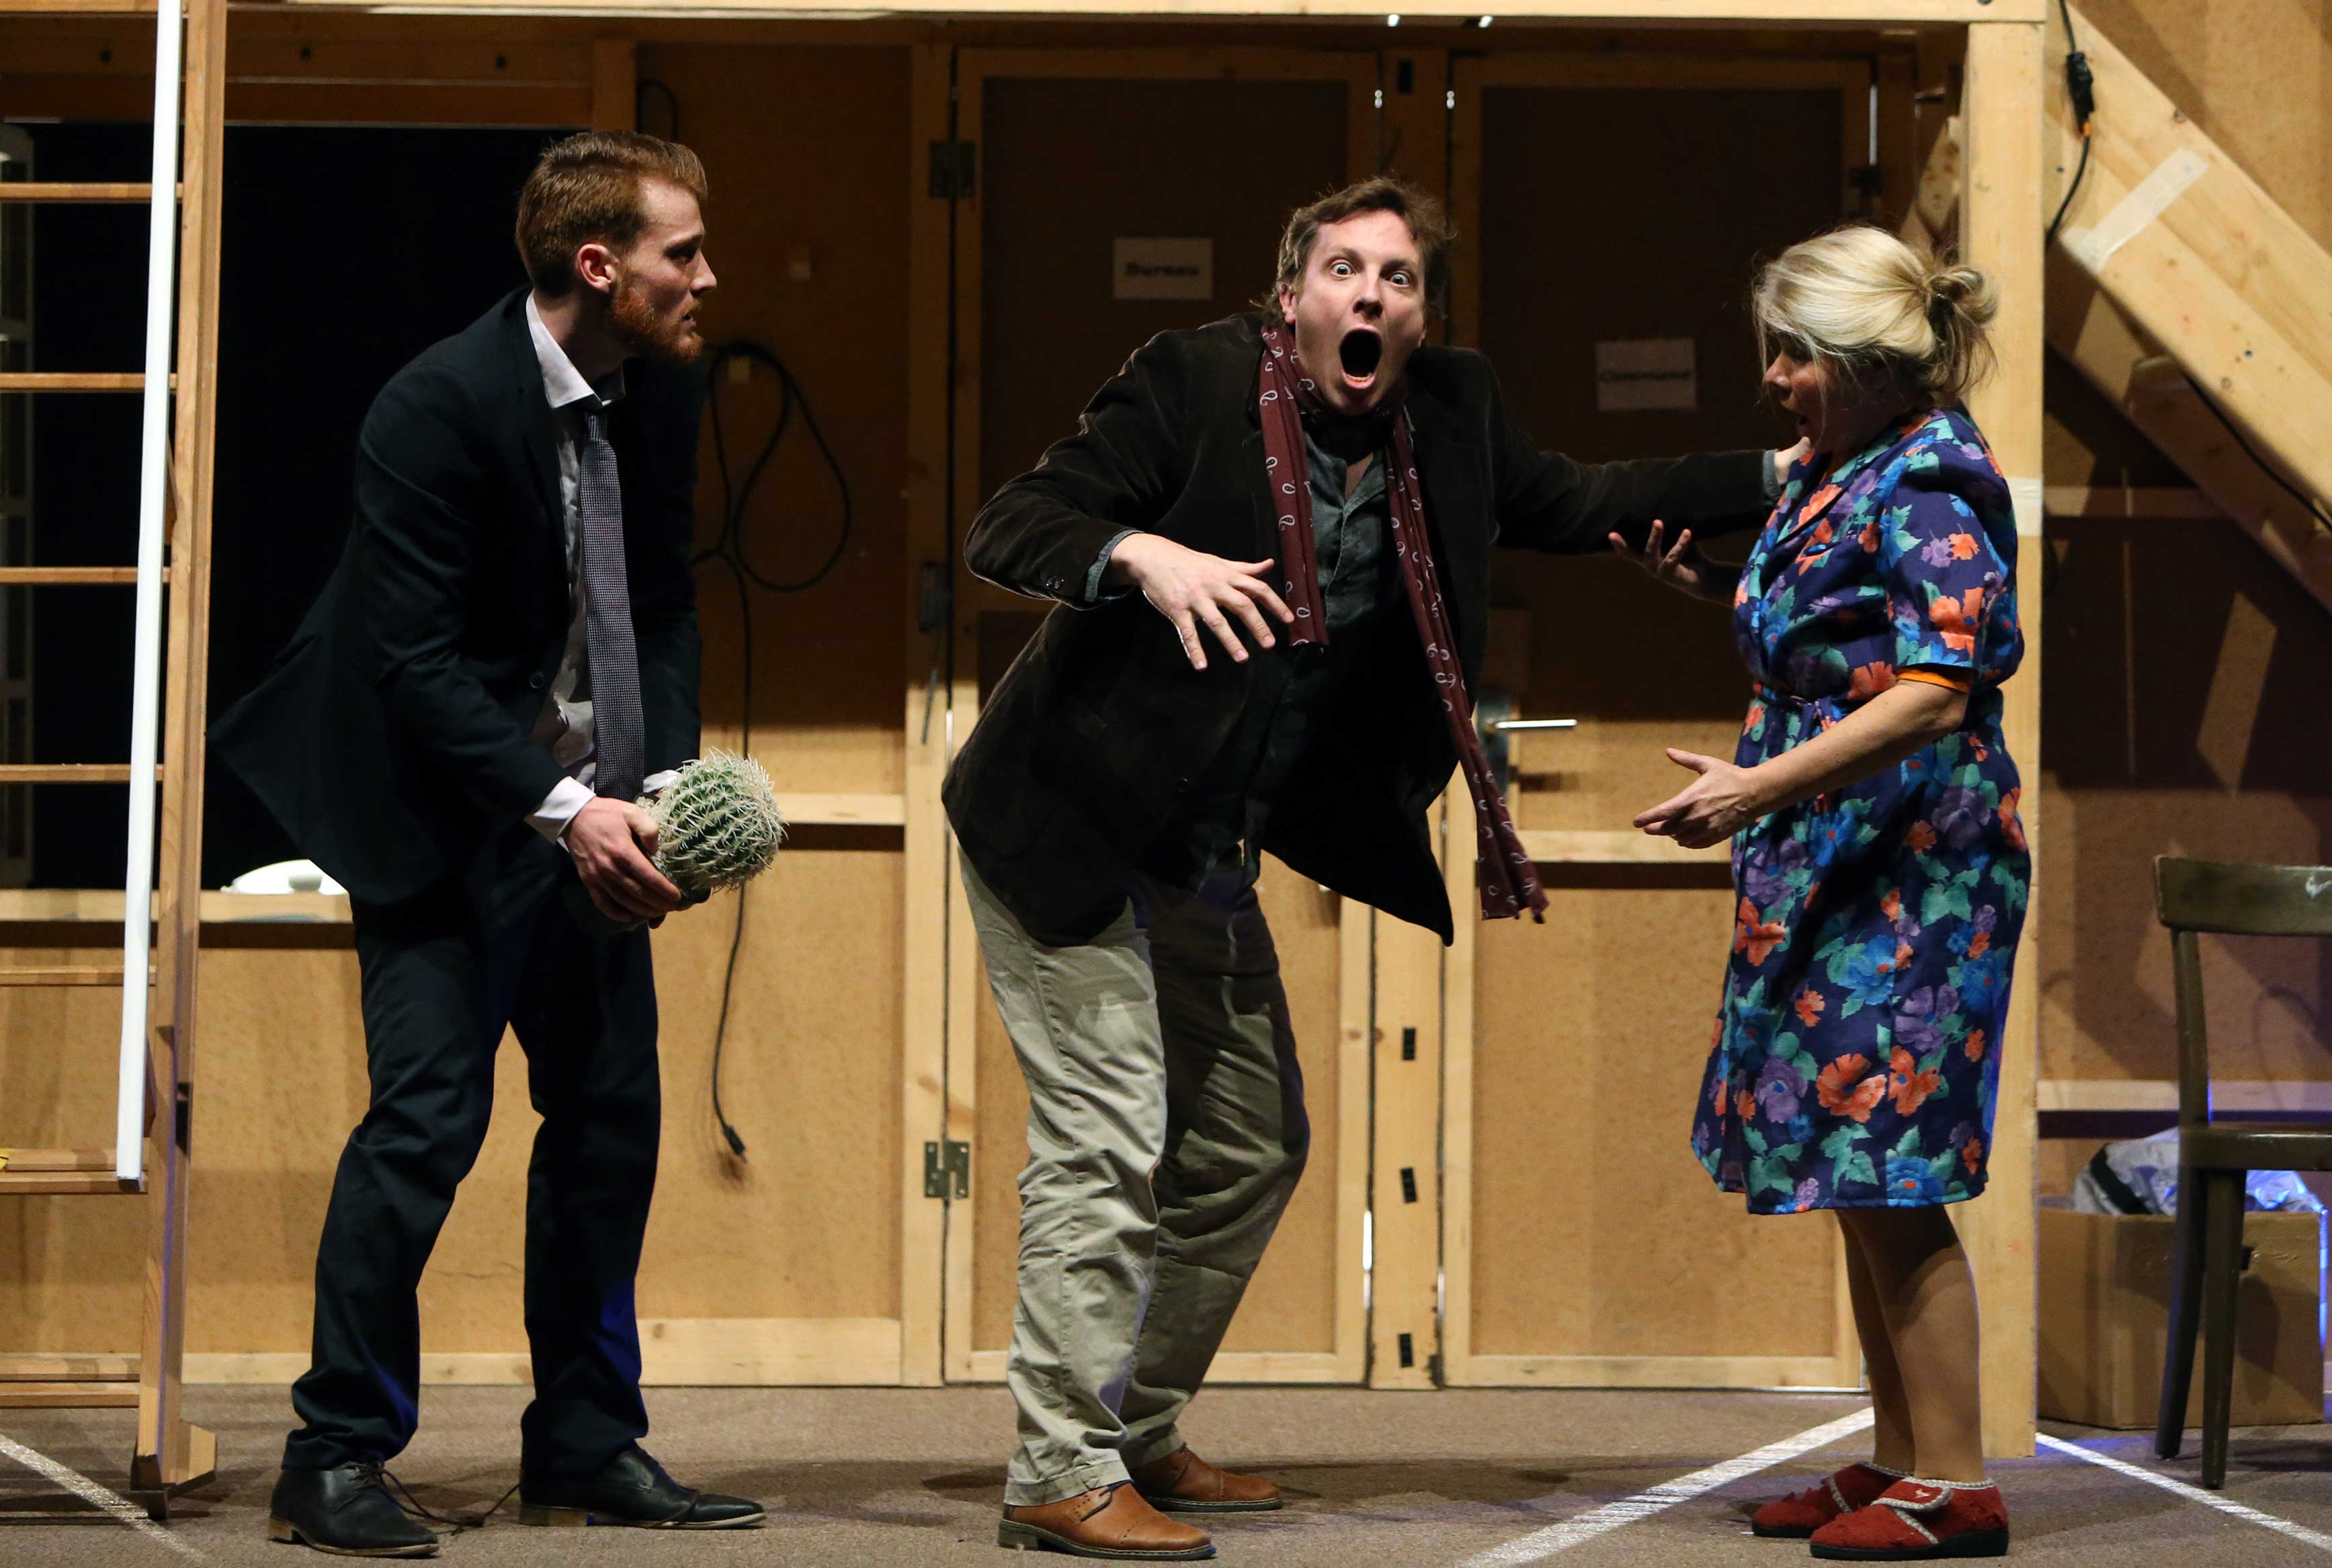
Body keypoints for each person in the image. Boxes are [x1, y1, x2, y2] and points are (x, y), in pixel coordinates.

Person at [947, 175, 1795, 1561]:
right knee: (1105, 1137)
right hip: (1066, 821)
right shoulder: (1191, 383)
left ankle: (1134, 1427)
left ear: (1420, 319)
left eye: (1397, 279)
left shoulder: (1448, 416)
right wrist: (1143, 555)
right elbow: (1012, 523)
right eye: (1343, 269)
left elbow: (1584, 496)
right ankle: (1058, 1466)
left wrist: (1790, 470)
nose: (1369, 295)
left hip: (1203, 843)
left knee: (1247, 1145)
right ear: (1290, 296)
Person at [212, 130, 761, 1557]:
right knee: (425, 1125)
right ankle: (332, 1453)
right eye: (683, 252)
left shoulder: (661, 388)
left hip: (591, 814)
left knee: (607, 1126)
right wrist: (567, 810)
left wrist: (657, 790)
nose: (708, 277)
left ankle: (583, 1439)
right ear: (600, 265)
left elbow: (664, 599)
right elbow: (410, 663)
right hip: (440, 814)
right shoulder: (439, 404)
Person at [1620, 224, 2025, 1562]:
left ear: (1861, 363)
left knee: (1894, 1166)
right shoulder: (1840, 467)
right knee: (1858, 1165)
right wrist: (1710, 591)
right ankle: (1901, 1457)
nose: (1775, 377)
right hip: (1833, 850)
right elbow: (1845, 643)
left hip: (1912, 868)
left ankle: (1955, 1483)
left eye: (1794, 354)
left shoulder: (1928, 481)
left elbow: (1934, 690)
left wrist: (1756, 786)